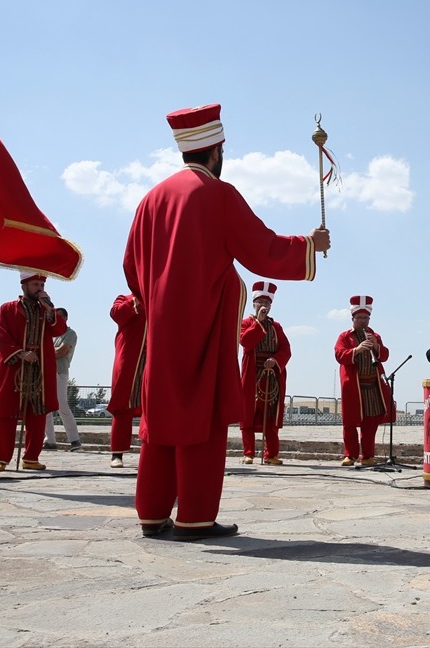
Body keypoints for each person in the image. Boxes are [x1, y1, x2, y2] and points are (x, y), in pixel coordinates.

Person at [123, 103, 329, 540]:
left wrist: (157, 301)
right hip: (203, 325)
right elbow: (261, 248)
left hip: (160, 331)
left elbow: (131, 267)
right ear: (216, 151)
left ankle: (152, 513)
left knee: (160, 422)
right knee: (203, 418)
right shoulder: (217, 194)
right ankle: (195, 517)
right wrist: (309, 244)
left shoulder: (150, 200)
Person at [0, 271, 66, 472]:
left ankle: (31, 457)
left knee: (38, 412)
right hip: (15, 366)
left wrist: (50, 309)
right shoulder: (7, 309)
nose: (39, 289)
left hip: (40, 367)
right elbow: (3, 337)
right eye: (35, 285)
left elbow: (59, 330)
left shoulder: (46, 311)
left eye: (42, 285)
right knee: (6, 412)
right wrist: (21, 353)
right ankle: (1, 458)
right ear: (24, 286)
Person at [334, 296, 393, 467]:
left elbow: (385, 356)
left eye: (366, 318)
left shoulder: (375, 336)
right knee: (350, 422)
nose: (363, 321)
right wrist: (357, 350)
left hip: (373, 387)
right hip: (354, 387)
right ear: (352, 318)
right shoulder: (345, 336)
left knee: (370, 423)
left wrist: (376, 346)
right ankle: (350, 455)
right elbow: (339, 355)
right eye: (359, 318)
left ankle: (367, 456)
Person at [239, 281, 291, 465]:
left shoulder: (276, 327)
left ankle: (271, 454)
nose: (264, 305)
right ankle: (249, 453)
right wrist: (258, 323)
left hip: (272, 375)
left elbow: (285, 349)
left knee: (271, 414)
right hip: (252, 375)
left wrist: (275, 360)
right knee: (248, 414)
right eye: (260, 302)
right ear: (254, 304)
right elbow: (246, 342)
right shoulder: (245, 323)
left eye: (267, 303)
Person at [106, 293, 145, 469]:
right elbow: (116, 314)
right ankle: (117, 453)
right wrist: (136, 299)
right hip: (130, 358)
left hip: (155, 357)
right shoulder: (125, 298)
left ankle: (152, 454)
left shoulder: (159, 296)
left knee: (155, 406)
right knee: (123, 403)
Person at [43, 307, 81, 452]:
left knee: (61, 405)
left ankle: (74, 439)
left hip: (59, 372)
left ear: (65, 319)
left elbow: (61, 351)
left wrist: (45, 353)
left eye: (58, 317)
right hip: (46, 371)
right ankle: (50, 440)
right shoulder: (51, 334)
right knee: (46, 406)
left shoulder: (70, 334)